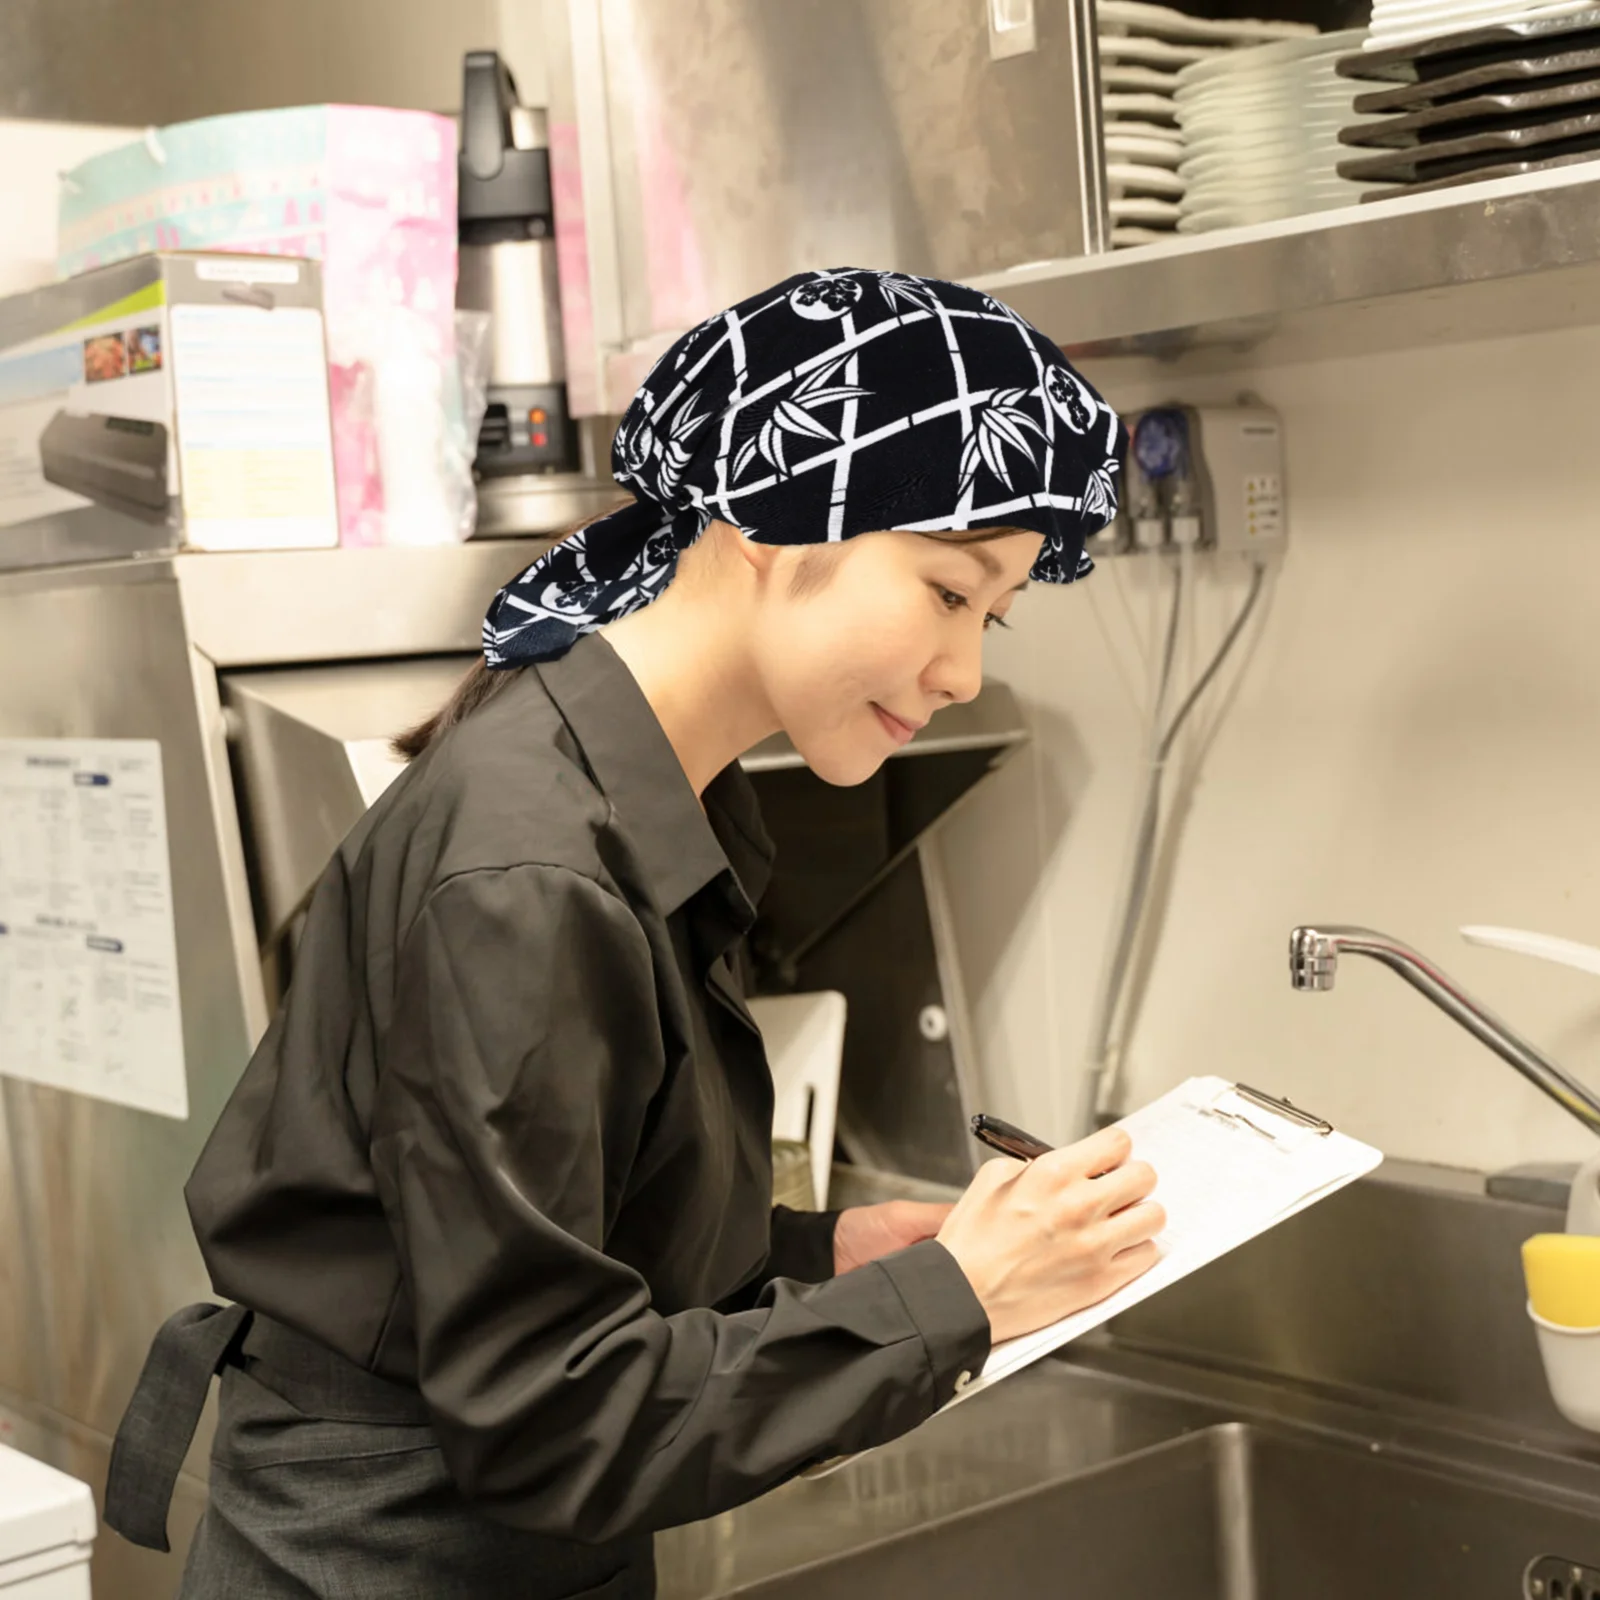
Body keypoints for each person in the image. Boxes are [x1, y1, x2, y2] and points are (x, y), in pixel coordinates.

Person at [104, 267, 1164, 1599]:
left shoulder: (645, 790)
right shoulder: (536, 866)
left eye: (992, 615)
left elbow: (539, 1239)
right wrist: (951, 1304)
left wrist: (814, 1261)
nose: (966, 673)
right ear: (784, 515)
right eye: (952, 593)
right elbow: (548, 1419)